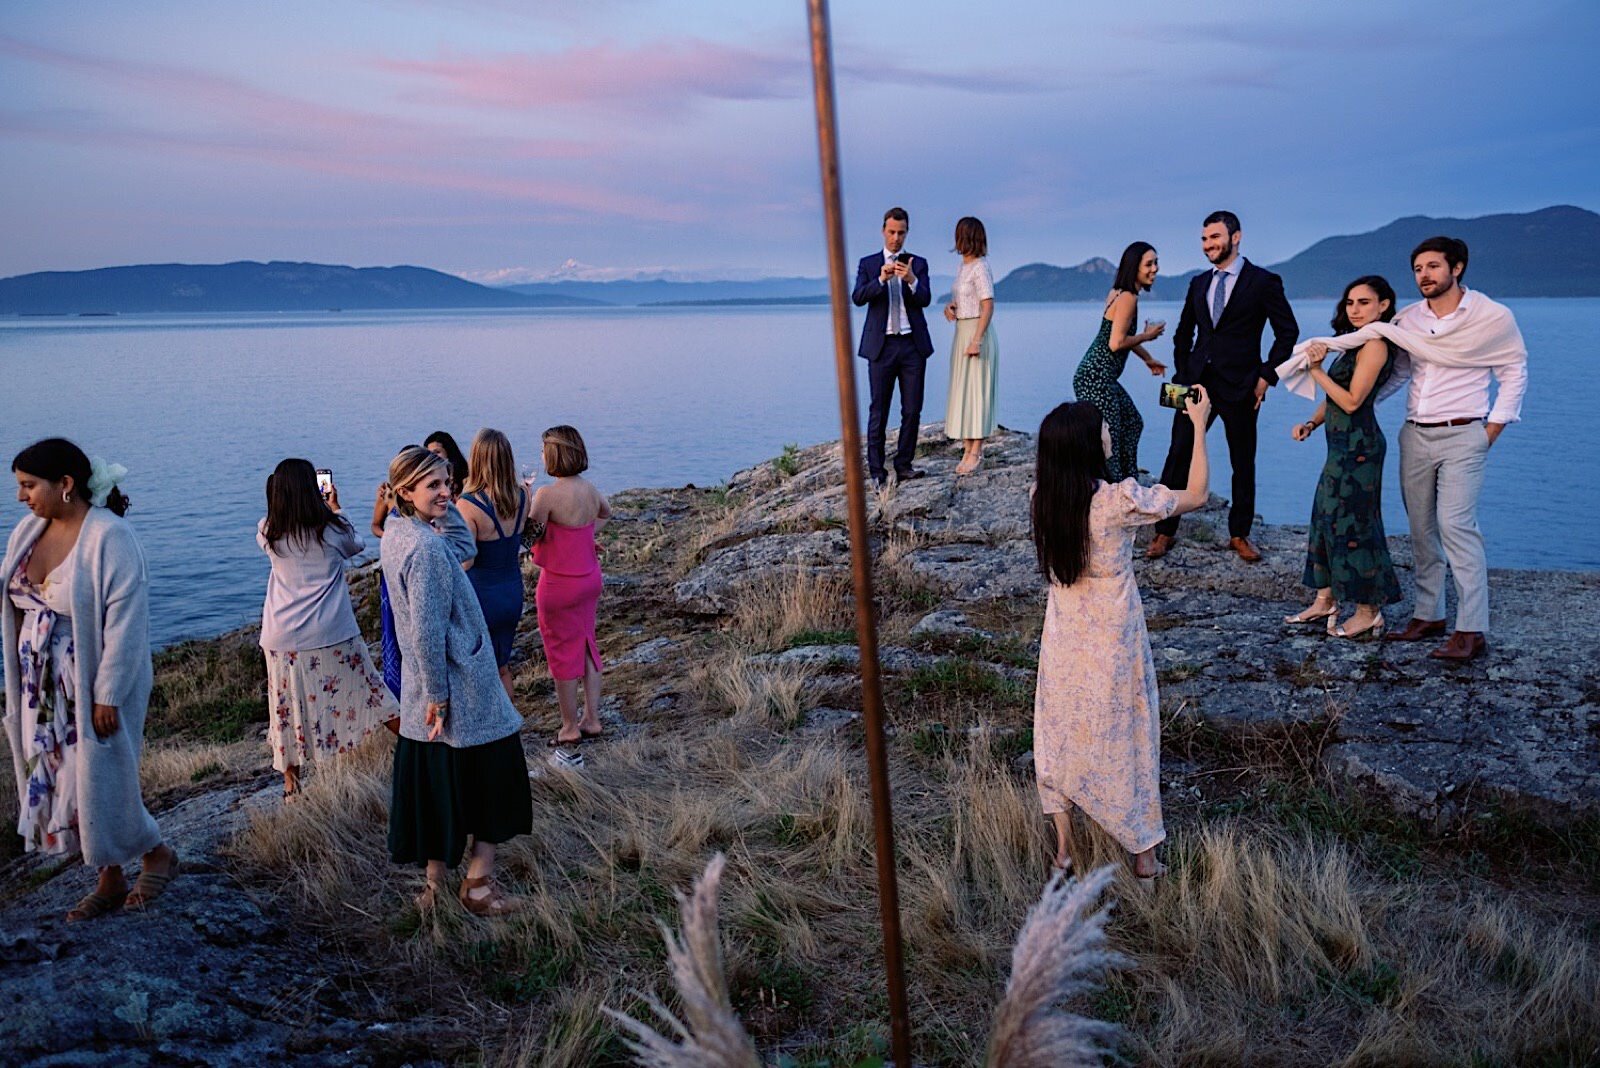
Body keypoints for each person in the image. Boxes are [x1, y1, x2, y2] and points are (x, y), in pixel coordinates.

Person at [1281, 238, 1528, 662]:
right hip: (1415, 433)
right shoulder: (1406, 320)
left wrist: (1490, 431)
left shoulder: (1491, 317)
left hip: (1464, 431)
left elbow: (1514, 370)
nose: (1425, 275)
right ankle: (1428, 614)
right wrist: (1341, 413)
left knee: (1457, 527)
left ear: (1458, 267)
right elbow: (1394, 376)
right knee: (1421, 529)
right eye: (1418, 268)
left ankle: (1471, 629)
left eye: (1433, 266)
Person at [1030, 392, 1212, 887]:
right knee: (1129, 731)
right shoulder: (1116, 502)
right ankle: (1145, 857)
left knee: (1060, 729)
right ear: (1089, 444)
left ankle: (1064, 853)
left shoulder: (1044, 497)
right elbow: (1196, 494)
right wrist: (1197, 425)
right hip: (1112, 632)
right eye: (1102, 426)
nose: (1109, 429)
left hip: (1065, 632)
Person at [4, 439, 178, 920]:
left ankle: (156, 853)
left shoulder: (108, 536)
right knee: (63, 777)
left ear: (65, 485)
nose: (21, 496)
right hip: (42, 686)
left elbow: (127, 620)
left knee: (102, 775)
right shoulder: (27, 530)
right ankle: (108, 873)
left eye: (28, 485)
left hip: (91, 679)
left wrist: (107, 694)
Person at [380, 446, 530, 916]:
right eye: (433, 486)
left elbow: (465, 549)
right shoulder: (424, 549)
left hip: (429, 684)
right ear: (406, 491)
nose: (446, 492)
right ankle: (478, 886)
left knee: (437, 786)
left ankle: (432, 889)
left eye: (448, 482)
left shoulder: (399, 532)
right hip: (456, 682)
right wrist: (440, 698)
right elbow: (426, 630)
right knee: (496, 775)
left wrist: (442, 513)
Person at [1147, 211, 1299, 562]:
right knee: (1178, 452)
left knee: (1242, 460)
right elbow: (1185, 333)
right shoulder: (1198, 283)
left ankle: (1239, 533)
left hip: (1242, 384)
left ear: (1236, 237)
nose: (1208, 245)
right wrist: (1184, 375)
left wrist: (1265, 378)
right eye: (1204, 239)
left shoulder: (1263, 281)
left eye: (1214, 237)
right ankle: (1163, 531)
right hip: (1195, 384)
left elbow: (1287, 332)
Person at [258, 459, 399, 799]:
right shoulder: (333, 530)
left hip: (280, 636)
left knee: (284, 707)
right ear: (312, 490)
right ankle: (418, 742)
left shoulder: (268, 530)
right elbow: (358, 545)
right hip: (330, 632)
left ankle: (291, 783)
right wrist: (336, 508)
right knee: (372, 693)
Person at [1285, 277, 1403, 639]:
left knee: (1357, 525)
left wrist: (1317, 370)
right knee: (1324, 516)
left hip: (1360, 448)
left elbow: (1352, 401)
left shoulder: (1376, 346)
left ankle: (1369, 611)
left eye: (1364, 302)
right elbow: (1334, 399)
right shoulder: (1352, 345)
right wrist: (1312, 422)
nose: (1355, 309)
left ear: (1383, 306)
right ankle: (1326, 600)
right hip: (1339, 445)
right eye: (1350, 302)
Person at [530, 426, 609, 747]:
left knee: (561, 652)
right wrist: (585, 538)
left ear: (553, 454)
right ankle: (592, 718)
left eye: (542, 449)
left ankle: (569, 727)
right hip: (589, 578)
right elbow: (606, 512)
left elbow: (529, 535)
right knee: (588, 643)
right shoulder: (589, 489)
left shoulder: (547, 494)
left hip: (559, 584)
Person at [1071, 241, 1169, 481]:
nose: (1155, 268)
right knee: (1110, 437)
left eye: (1156, 262)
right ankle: (1114, 490)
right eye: (1149, 264)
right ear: (1134, 267)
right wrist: (1147, 335)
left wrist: (1148, 359)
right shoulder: (1127, 298)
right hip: (1096, 377)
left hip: (1098, 375)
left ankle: (1127, 480)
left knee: (1132, 422)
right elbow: (1116, 343)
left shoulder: (1118, 293)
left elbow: (1118, 337)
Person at [853, 206, 935, 487]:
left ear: (907, 233)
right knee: (879, 409)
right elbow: (858, 297)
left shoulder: (919, 263)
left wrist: (911, 280)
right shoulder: (868, 264)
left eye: (901, 233)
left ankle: (904, 465)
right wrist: (881, 279)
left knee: (912, 409)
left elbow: (925, 299)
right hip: (881, 346)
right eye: (891, 232)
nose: (896, 238)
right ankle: (876, 471)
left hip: (912, 345)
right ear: (883, 231)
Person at [458, 429, 528, 700]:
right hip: (511, 591)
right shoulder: (522, 496)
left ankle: (487, 733)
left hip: (481, 596)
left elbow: (466, 560)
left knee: (477, 669)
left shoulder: (467, 505)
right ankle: (509, 730)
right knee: (501, 667)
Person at [942, 216, 1000, 475]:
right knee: (963, 390)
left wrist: (977, 339)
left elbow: (988, 304)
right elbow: (967, 298)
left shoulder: (980, 267)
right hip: (961, 330)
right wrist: (952, 307)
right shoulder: (962, 267)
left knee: (977, 391)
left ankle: (976, 450)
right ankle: (967, 447)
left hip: (977, 332)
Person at [423, 430, 469, 500]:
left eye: (437, 452)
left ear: (448, 452)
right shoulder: (427, 479)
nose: (433, 456)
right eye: (429, 453)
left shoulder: (465, 479)